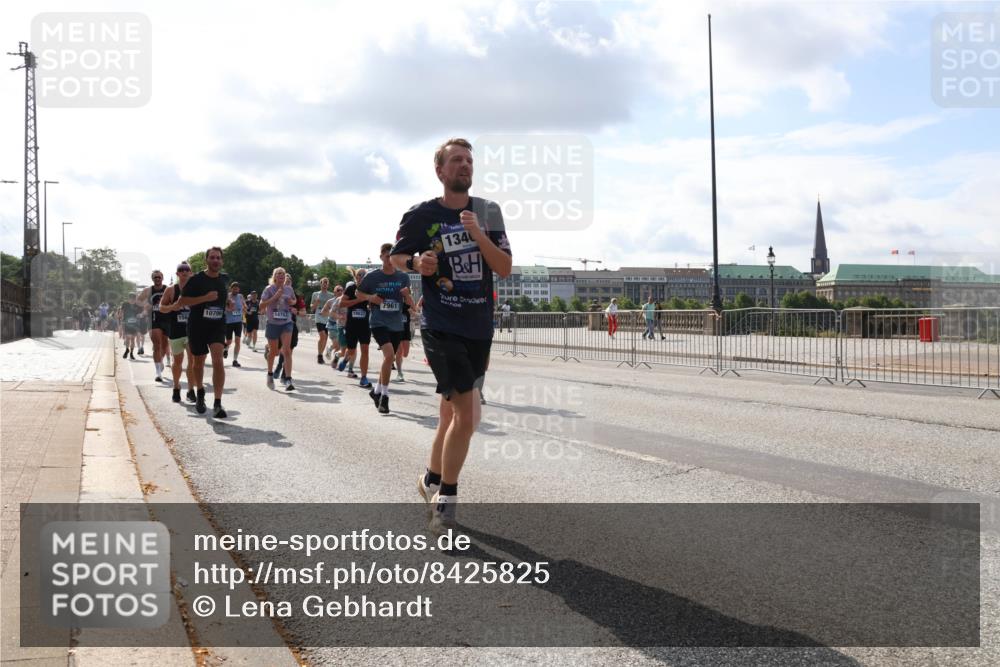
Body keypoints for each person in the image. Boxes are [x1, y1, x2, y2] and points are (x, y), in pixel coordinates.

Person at [390, 137, 512, 533]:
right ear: (440, 171)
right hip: (441, 325)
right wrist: (415, 261)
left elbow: (505, 267)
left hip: (479, 328)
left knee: (451, 413)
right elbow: (397, 256)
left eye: (469, 160)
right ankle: (446, 503)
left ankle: (429, 479)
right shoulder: (421, 215)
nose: (464, 165)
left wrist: (478, 236)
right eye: (456, 160)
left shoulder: (488, 212)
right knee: (469, 412)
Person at [173, 246, 229, 418]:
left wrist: (228, 304)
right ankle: (200, 392)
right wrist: (204, 298)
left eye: (218, 258)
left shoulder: (225, 279)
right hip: (197, 326)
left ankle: (218, 403)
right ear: (207, 260)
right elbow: (182, 301)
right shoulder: (196, 279)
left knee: (218, 360)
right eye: (212, 257)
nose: (215, 260)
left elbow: (222, 299)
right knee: (198, 362)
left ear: (222, 261)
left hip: (217, 325)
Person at [359, 243, 414, 414]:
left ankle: (375, 391)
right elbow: (358, 294)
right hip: (378, 321)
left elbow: (410, 302)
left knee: (388, 359)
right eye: (386, 255)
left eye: (392, 256)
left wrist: (407, 296)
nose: (389, 259)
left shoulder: (403, 277)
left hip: (396, 323)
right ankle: (384, 396)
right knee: (389, 355)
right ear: (381, 257)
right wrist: (371, 298)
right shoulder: (372, 277)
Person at [158, 262, 196, 403]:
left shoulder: (196, 289)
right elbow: (161, 308)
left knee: (192, 361)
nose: (184, 272)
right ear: (177, 273)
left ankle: (191, 390)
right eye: (181, 270)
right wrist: (173, 307)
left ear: (191, 273)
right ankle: (176, 386)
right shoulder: (171, 290)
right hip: (176, 331)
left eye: (187, 270)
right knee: (177, 361)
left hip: (192, 331)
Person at [260, 267, 297, 391]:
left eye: (283, 273)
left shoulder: (289, 288)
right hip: (273, 323)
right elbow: (261, 305)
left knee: (287, 350)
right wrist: (275, 297)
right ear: (274, 277)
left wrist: (291, 302)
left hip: (286, 322)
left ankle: (288, 379)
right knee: (274, 352)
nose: (281, 275)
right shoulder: (268, 289)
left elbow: (294, 300)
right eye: (278, 273)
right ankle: (270, 374)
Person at [338, 268, 372, 386]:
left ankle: (364, 377)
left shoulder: (369, 289)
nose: (361, 276)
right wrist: (358, 300)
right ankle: (346, 359)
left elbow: (375, 302)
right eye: (359, 275)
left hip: (364, 325)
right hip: (352, 325)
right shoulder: (351, 288)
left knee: (365, 350)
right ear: (356, 277)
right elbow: (341, 303)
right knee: (351, 350)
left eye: (364, 275)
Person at [139, 271, 169, 382]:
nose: (157, 279)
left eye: (159, 277)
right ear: (152, 279)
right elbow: (138, 300)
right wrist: (144, 305)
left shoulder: (168, 289)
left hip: (167, 319)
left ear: (162, 278)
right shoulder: (148, 290)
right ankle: (158, 373)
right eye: (155, 277)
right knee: (157, 344)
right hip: (154, 319)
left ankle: (160, 361)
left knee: (165, 345)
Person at [311, 277, 335, 365]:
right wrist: (315, 303)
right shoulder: (315, 294)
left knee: (325, 338)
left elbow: (334, 305)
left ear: (328, 285)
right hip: (319, 316)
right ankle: (320, 355)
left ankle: (320, 355)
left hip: (327, 317)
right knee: (322, 336)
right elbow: (312, 307)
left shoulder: (331, 295)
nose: (325, 284)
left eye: (326, 283)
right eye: (323, 283)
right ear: (320, 284)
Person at [223, 282, 245, 367]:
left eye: (237, 289)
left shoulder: (240, 296)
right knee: (229, 341)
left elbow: (243, 304)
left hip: (238, 322)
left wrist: (244, 308)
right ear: (231, 289)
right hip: (229, 322)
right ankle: (226, 348)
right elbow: (223, 306)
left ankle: (235, 360)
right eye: (234, 288)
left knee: (238, 341)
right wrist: (228, 309)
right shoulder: (227, 296)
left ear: (239, 289)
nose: (235, 290)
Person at [120, 293, 142, 359]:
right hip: (127, 324)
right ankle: (127, 350)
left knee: (132, 339)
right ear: (128, 299)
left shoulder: (138, 306)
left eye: (133, 299)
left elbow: (140, 314)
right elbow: (121, 312)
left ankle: (131, 353)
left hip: (135, 324)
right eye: (131, 298)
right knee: (127, 338)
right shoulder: (125, 304)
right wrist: (122, 321)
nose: (132, 300)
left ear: (135, 299)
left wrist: (139, 316)